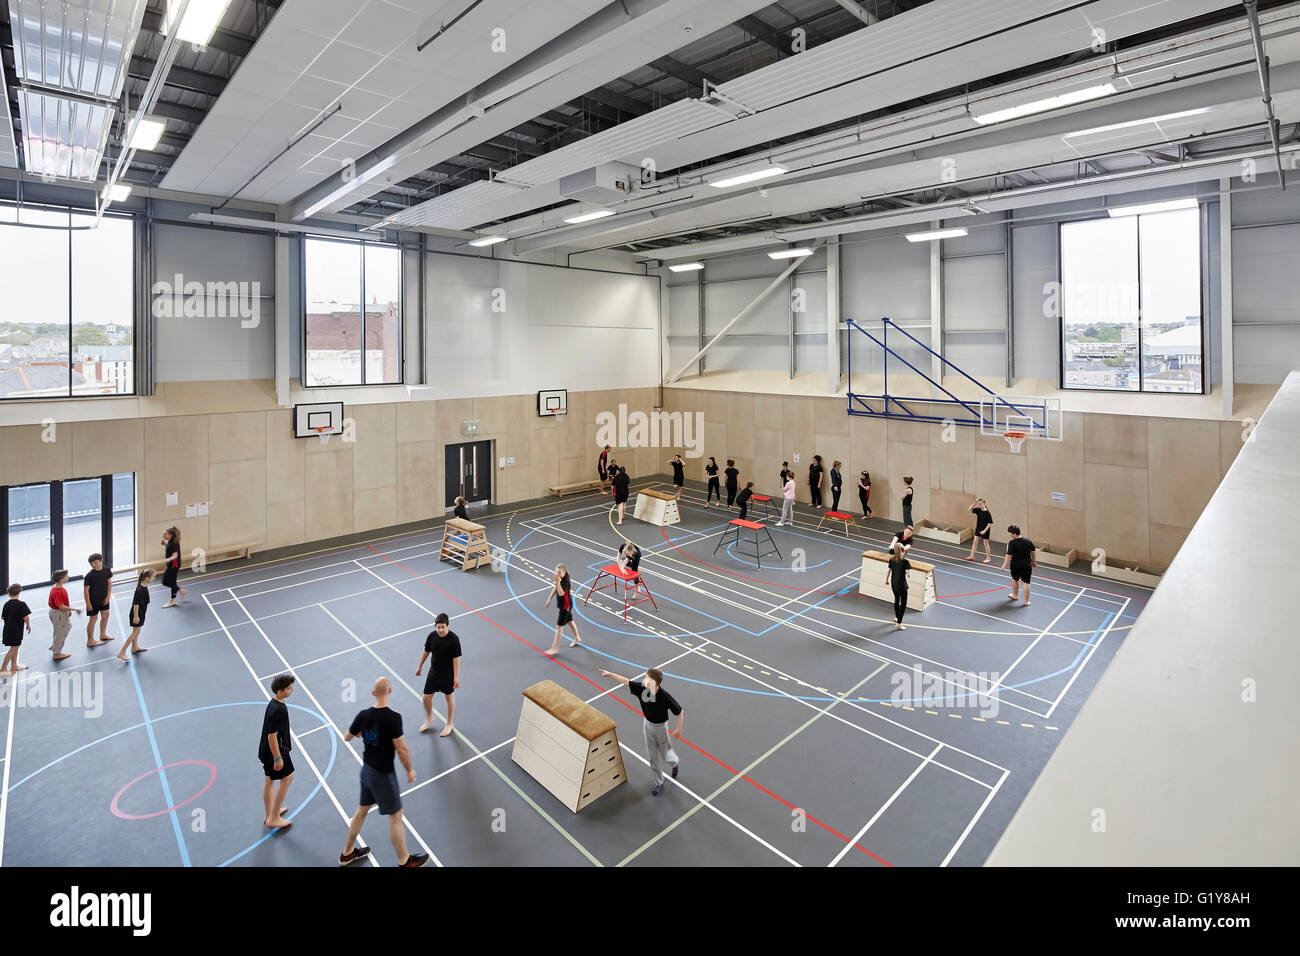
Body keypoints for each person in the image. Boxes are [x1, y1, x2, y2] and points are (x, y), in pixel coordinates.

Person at [339, 677, 428, 867]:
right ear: (390, 691)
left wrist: (359, 732)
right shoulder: (393, 718)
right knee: (396, 817)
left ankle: (347, 853)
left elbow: (346, 736)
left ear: (373, 693)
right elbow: (402, 748)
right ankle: (405, 861)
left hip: (367, 772)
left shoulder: (363, 715)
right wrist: (410, 769)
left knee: (362, 811)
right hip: (383, 775)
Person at [599, 667, 683, 796]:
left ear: (654, 681)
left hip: (661, 727)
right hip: (647, 724)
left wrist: (678, 730)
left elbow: (679, 711)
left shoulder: (664, 696)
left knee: (666, 755)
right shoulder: (642, 688)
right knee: (652, 756)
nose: (644, 679)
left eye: (647, 677)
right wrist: (610, 674)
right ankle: (659, 782)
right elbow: (626, 681)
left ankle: (674, 763)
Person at [415, 612, 461, 737]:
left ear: (447, 626)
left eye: (443, 627)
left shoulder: (454, 640)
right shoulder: (432, 636)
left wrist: (456, 677)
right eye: (438, 627)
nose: (440, 630)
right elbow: (426, 652)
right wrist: (420, 667)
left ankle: (449, 723)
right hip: (433, 672)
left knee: (449, 697)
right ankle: (430, 717)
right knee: (426, 698)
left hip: (447, 674)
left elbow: (456, 660)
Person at [260, 673, 296, 830]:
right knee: (287, 778)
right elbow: (271, 737)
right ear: (280, 691)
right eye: (288, 688)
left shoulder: (274, 703)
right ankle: (274, 818)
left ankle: (270, 813)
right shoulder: (279, 710)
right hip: (276, 751)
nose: (292, 690)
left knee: (269, 781)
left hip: (265, 751)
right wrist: (277, 758)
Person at [543, 564, 581, 655]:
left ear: (564, 573)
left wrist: (558, 581)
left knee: (559, 627)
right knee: (569, 620)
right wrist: (549, 599)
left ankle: (555, 648)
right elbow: (555, 588)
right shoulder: (560, 580)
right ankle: (577, 638)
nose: (557, 574)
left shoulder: (565, 581)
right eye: (556, 572)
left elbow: (561, 593)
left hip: (566, 607)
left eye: (559, 572)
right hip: (565, 605)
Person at [116, 570, 154, 661]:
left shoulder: (144, 586)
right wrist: (136, 616)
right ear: (147, 578)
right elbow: (135, 604)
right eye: (153, 577)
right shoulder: (139, 589)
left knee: (137, 631)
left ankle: (134, 647)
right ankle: (122, 652)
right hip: (137, 613)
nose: (154, 578)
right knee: (135, 632)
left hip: (141, 612)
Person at [47, 570, 81, 661]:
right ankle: (57, 653)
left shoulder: (57, 587)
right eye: (66, 576)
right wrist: (74, 609)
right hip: (58, 614)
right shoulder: (58, 591)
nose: (68, 577)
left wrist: (67, 611)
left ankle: (55, 645)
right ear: (61, 579)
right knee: (60, 633)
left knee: (67, 626)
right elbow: (61, 606)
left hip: (60, 613)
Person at [83, 553, 113, 648]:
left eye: (95, 563)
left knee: (105, 615)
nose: (93, 565)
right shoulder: (89, 576)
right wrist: (88, 604)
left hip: (104, 599)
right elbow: (86, 590)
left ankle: (103, 634)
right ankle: (90, 640)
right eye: (91, 564)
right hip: (93, 601)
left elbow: (109, 584)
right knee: (93, 619)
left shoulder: (107, 570)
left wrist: (108, 597)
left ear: (101, 560)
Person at [1001, 525, 1037, 606]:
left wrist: (1004, 565)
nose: (1009, 535)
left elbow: (1008, 555)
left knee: (1015, 580)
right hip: (1027, 565)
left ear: (1014, 533)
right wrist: (1034, 562)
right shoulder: (1028, 541)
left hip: (1015, 565)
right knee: (1026, 583)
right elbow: (1033, 551)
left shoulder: (1012, 543)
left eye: (1010, 533)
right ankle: (1026, 601)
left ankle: (1015, 595)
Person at [1, 584, 32, 675]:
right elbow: (26, 617)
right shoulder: (21, 604)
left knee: (15, 647)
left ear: (9, 593)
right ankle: (3, 668)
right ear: (19, 592)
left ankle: (14, 666)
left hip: (7, 629)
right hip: (16, 630)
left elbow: (3, 617)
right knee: (13, 648)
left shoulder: (6, 604)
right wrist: (28, 625)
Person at [884, 544, 912, 630]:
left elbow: (888, 571)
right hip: (902, 586)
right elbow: (908, 575)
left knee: (896, 600)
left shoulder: (891, 559)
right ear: (903, 551)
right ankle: (899, 624)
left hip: (894, 584)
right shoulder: (905, 561)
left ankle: (896, 617)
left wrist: (886, 580)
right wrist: (907, 573)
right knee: (903, 604)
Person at [160, 527, 186, 608]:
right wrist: (165, 545)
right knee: (168, 582)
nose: (163, 535)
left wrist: (168, 559)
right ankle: (180, 591)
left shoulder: (173, 543)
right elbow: (170, 549)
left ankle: (172, 601)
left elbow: (175, 555)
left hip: (173, 565)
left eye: (165, 534)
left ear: (170, 535)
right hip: (172, 565)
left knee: (168, 582)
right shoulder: (171, 542)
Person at [966, 498, 993, 563]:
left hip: (985, 530)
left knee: (985, 543)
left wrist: (984, 531)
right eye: (978, 504)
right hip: (978, 528)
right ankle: (972, 556)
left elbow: (990, 523)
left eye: (980, 504)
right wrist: (974, 502)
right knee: (975, 542)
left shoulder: (987, 513)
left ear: (984, 504)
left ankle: (988, 558)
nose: (979, 505)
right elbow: (969, 509)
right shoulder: (978, 510)